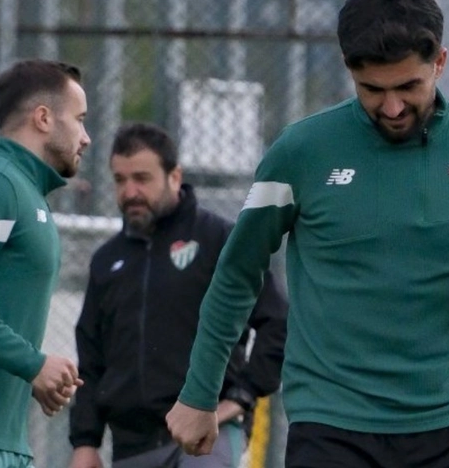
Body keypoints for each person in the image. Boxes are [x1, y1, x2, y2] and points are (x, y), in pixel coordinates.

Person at [167, 0, 449, 467]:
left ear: (440, 63)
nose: (392, 107)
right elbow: (237, 272)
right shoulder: (301, 151)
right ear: (349, 69)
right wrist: (199, 394)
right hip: (333, 422)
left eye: (408, 86)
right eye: (373, 90)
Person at [68, 122, 288, 468]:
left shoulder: (219, 239)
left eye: (142, 178)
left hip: (207, 433)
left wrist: (242, 395)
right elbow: (90, 356)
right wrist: (85, 442)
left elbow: (278, 321)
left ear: (175, 176)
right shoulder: (106, 261)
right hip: (130, 445)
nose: (130, 192)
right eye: (120, 180)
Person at [0, 59, 91, 468]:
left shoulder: (27, 195)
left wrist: (33, 373)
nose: (86, 137)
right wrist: (33, 364)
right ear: (43, 118)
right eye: (80, 120)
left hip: (3, 444)